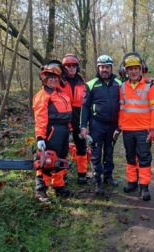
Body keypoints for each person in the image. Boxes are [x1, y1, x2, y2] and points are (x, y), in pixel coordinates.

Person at [116, 52, 154, 201]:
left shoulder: (149, 86)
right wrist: (120, 126)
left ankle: (144, 187)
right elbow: (122, 109)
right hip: (127, 130)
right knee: (129, 157)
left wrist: (152, 128)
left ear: (141, 69)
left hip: (143, 130)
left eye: (136, 68)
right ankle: (132, 182)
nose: (133, 71)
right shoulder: (122, 87)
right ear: (125, 71)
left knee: (144, 158)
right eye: (130, 69)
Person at [80, 55, 122, 195]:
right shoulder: (91, 84)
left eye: (107, 67)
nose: (105, 70)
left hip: (113, 126)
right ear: (98, 68)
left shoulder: (119, 84)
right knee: (96, 153)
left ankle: (108, 177)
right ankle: (97, 181)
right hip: (96, 124)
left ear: (111, 68)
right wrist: (83, 126)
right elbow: (85, 107)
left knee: (109, 152)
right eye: (102, 67)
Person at [33, 61, 73, 202]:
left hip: (63, 131)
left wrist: (70, 129)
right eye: (50, 77)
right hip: (51, 131)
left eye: (55, 77)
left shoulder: (61, 94)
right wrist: (40, 137)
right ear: (45, 79)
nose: (53, 79)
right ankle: (41, 190)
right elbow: (40, 118)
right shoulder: (42, 96)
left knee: (61, 159)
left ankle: (58, 185)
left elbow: (67, 114)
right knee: (47, 161)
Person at [61, 54, 89, 185]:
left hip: (78, 118)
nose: (71, 68)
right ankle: (62, 175)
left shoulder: (83, 83)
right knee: (61, 147)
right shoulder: (59, 82)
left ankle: (82, 174)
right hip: (62, 118)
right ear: (64, 67)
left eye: (73, 66)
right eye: (68, 66)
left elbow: (87, 103)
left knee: (81, 146)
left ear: (77, 67)